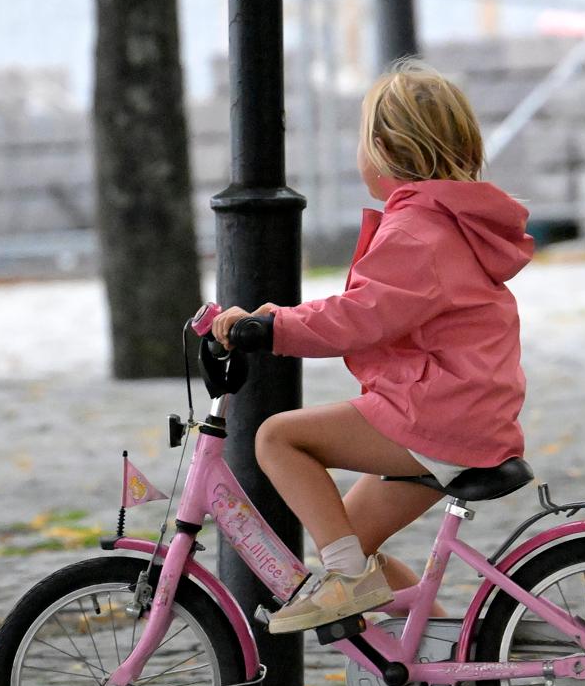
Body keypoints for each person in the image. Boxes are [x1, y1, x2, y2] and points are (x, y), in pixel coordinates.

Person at [212, 60, 533, 634]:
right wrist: (277, 318)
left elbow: (360, 318)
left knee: (277, 437)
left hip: (438, 412)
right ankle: (440, 658)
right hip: (466, 408)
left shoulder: (416, 231)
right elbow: (375, 308)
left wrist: (272, 327)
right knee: (356, 551)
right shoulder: (451, 222)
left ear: (382, 148)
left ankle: (345, 585)